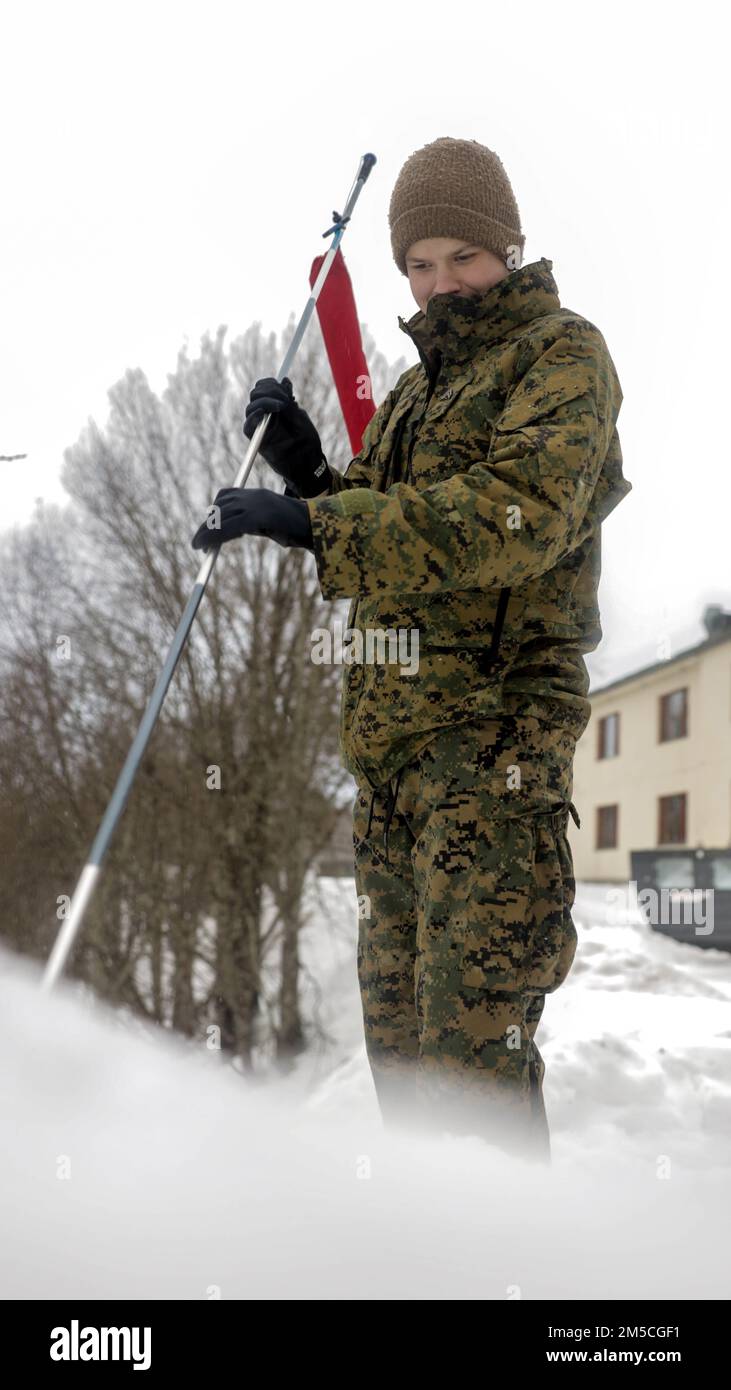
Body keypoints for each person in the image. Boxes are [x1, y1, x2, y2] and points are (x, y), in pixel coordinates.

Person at [192, 136, 632, 1162]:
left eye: (459, 257)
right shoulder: (411, 393)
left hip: (488, 765)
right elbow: (385, 526)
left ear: (506, 246)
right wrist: (310, 478)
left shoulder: (560, 356)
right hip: (390, 776)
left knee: (471, 1079)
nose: (437, 284)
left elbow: (514, 513)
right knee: (406, 1080)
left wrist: (319, 529)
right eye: (416, 265)